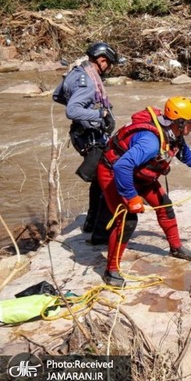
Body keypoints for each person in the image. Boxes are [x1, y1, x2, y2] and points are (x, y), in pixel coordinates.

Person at [96, 96, 191, 287]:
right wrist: (132, 197)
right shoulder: (150, 142)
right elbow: (122, 167)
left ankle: (176, 248)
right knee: (127, 221)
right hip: (114, 173)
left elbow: (185, 153)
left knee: (165, 206)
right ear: (179, 122)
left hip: (140, 174)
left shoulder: (173, 133)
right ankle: (111, 270)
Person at [51, 42, 123, 245]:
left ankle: (91, 222)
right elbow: (72, 110)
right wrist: (99, 113)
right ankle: (99, 233)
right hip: (90, 138)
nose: (108, 68)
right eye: (108, 64)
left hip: (82, 134)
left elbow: (57, 95)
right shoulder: (88, 82)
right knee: (106, 180)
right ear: (101, 60)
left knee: (99, 180)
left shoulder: (76, 72)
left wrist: (88, 110)